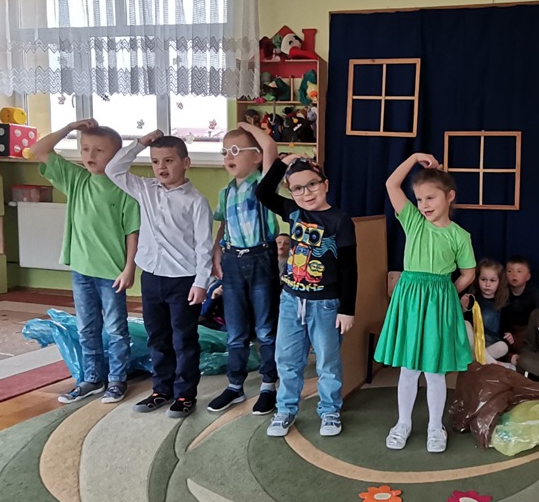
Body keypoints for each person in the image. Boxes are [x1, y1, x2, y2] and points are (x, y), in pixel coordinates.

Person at [253, 130, 358, 437]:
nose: (307, 192)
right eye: (297, 188)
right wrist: (281, 164)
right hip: (291, 301)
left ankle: (330, 411)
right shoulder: (293, 212)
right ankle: (285, 410)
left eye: (312, 184)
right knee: (287, 360)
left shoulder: (340, 221)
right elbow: (263, 193)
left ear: (326, 184)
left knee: (327, 362)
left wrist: (347, 309)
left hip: (326, 305)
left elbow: (350, 267)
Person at [31, 119, 140, 405]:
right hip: (81, 269)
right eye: (85, 149)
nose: (90, 155)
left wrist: (129, 267)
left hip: (112, 273)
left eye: (99, 150)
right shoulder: (76, 179)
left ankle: (117, 380)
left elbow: (132, 232)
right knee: (87, 327)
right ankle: (91, 379)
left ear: (115, 156)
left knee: (116, 329)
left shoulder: (125, 188)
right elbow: (38, 150)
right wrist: (69, 128)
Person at [106, 131, 213, 418]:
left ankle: (185, 394)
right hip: (152, 277)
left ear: (186, 163)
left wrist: (201, 282)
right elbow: (113, 169)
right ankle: (162, 390)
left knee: (183, 339)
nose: (161, 167)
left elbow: (203, 245)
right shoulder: (145, 189)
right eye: (155, 162)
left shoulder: (196, 201)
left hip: (184, 280)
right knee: (157, 337)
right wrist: (140, 144)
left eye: (168, 160)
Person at [375, 153, 476, 454]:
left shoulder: (460, 236)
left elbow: (469, 273)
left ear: (449, 197)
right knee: (408, 370)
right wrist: (415, 157)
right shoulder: (414, 222)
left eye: (430, 197)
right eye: (419, 199)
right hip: (410, 302)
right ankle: (403, 423)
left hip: (438, 306)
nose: (424, 205)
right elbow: (391, 184)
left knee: (434, 371)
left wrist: (447, 293)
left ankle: (435, 427)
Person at [206, 124, 282, 416]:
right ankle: (235, 385)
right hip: (232, 261)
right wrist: (216, 250)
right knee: (235, 330)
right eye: (225, 151)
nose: (229, 156)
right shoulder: (225, 192)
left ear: (256, 157)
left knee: (265, 328)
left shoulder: (264, 183)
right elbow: (223, 225)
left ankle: (268, 385)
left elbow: (271, 147)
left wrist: (246, 126)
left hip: (261, 259)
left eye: (236, 150)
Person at [461, 258, 513, 367]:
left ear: (499, 281)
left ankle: (477, 361)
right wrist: (464, 308)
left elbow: (505, 329)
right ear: (477, 279)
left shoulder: (504, 303)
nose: (487, 284)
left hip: (492, 345)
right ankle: (495, 364)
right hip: (473, 345)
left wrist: (509, 335)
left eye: (492, 280)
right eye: (483, 279)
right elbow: (462, 323)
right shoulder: (472, 299)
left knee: (503, 347)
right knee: (465, 324)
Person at [500, 255, 539, 352]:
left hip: (528, 331)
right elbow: (501, 319)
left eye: (519, 271)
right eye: (509, 271)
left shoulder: (534, 294)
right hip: (510, 331)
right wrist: (506, 333)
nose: (514, 275)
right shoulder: (502, 292)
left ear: (528, 276)